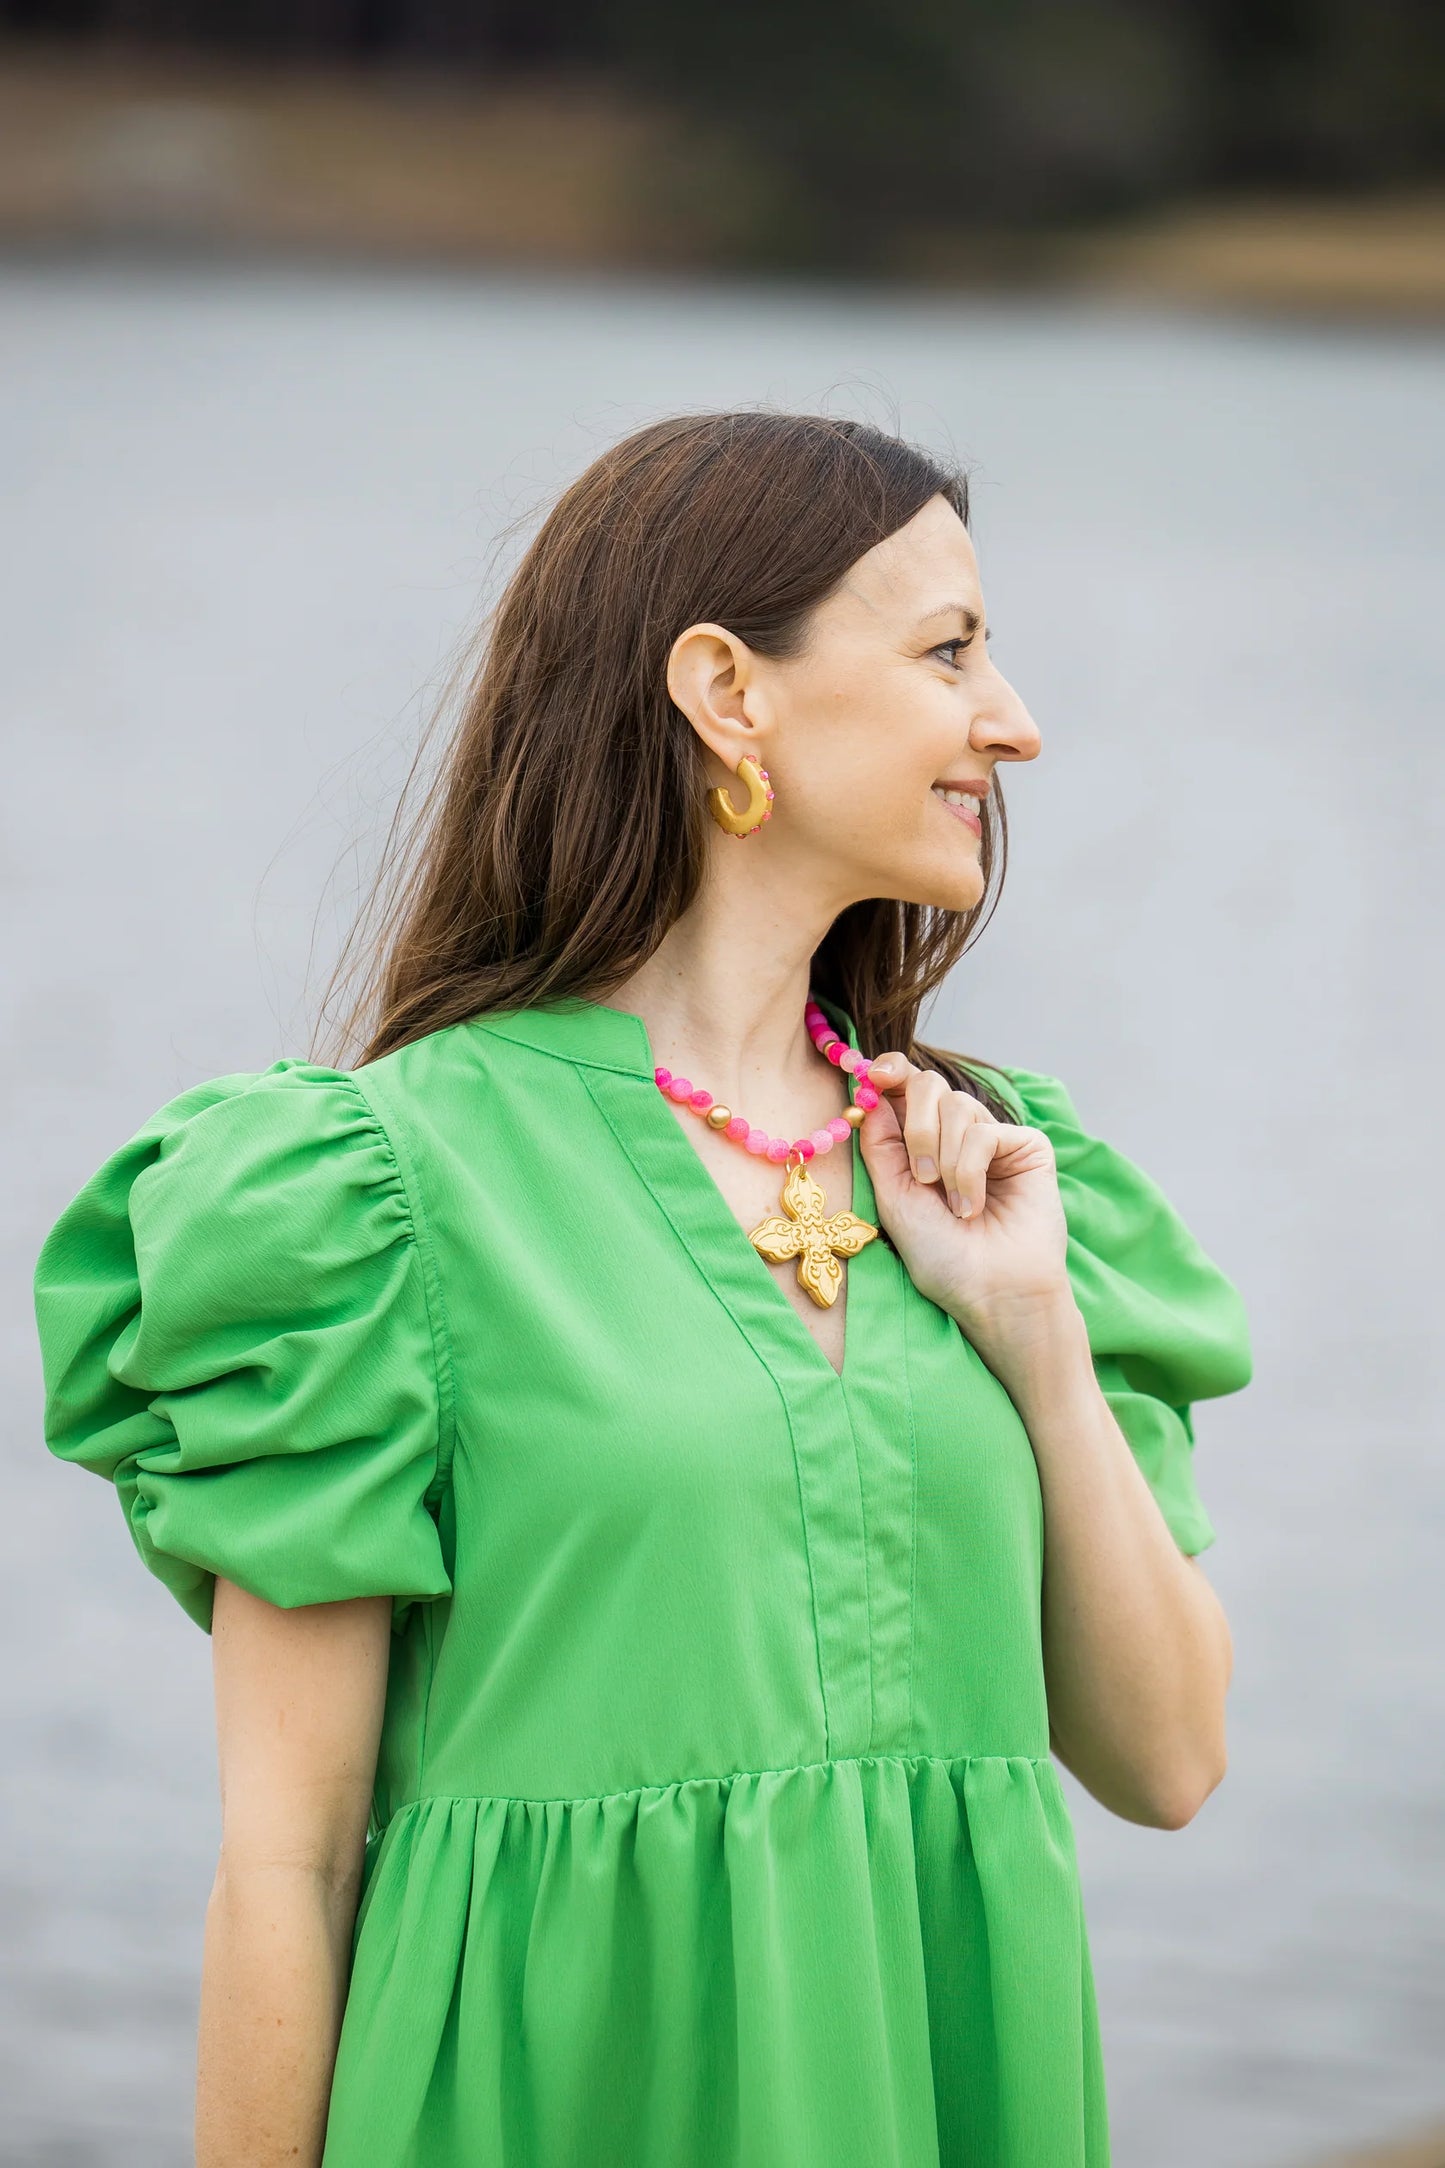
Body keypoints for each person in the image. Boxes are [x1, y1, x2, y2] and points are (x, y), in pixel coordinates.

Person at [32, 410, 1252, 2168]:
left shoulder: (991, 1173)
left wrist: (1034, 1335)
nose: (1015, 720)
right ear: (724, 690)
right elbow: (282, 1867)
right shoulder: (363, 1201)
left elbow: (1167, 1760)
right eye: (949, 650)